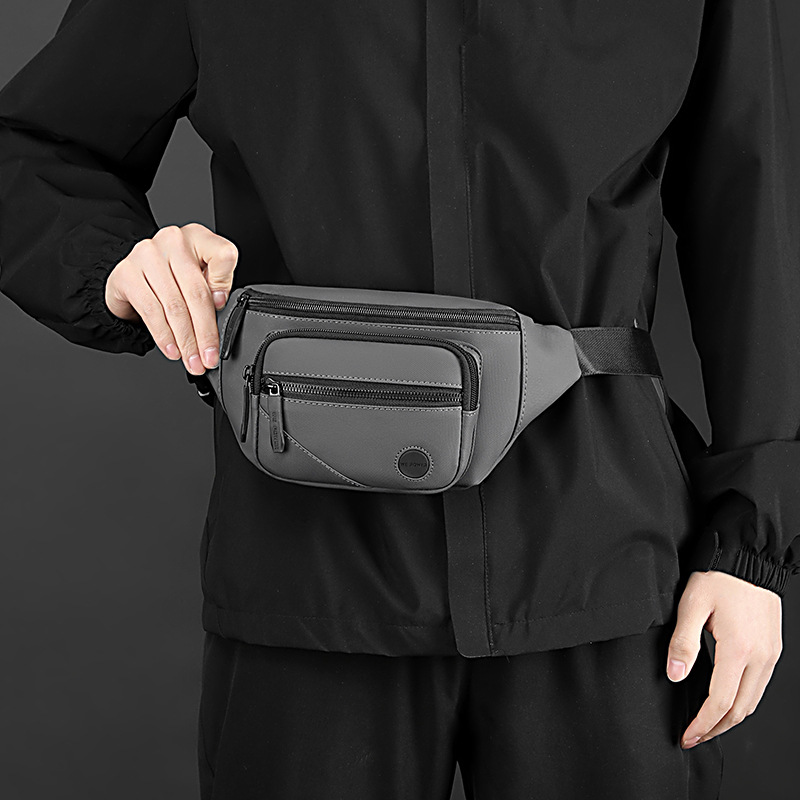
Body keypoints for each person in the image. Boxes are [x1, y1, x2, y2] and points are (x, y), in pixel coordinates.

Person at [0, 1, 797, 797]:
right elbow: (28, 152)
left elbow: (755, 210)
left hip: (602, 564)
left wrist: (752, 550)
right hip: (311, 578)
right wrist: (118, 264)